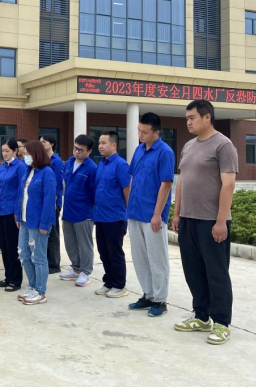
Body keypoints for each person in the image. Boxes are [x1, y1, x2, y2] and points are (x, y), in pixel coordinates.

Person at [172, 100, 238, 345]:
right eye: (187, 119)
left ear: (207, 117)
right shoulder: (188, 146)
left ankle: (221, 322)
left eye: (192, 118)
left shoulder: (223, 145)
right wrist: (177, 214)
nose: (188, 122)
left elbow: (228, 184)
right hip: (189, 219)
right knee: (193, 271)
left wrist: (221, 221)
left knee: (216, 273)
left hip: (211, 221)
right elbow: (182, 181)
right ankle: (201, 316)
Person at [127, 112, 175, 317]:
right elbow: (132, 177)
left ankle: (161, 300)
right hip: (134, 212)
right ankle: (148, 295)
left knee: (157, 258)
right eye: (139, 131)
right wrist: (128, 206)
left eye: (145, 132)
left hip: (152, 215)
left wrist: (157, 215)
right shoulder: (138, 150)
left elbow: (166, 184)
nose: (140, 135)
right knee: (139, 257)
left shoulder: (165, 152)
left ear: (157, 132)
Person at [15, 141, 56, 305]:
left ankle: (40, 291)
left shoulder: (47, 173)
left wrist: (44, 224)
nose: (25, 157)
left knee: (38, 257)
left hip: (38, 223)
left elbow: (49, 200)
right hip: (25, 221)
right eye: (24, 154)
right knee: (24, 254)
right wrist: (18, 216)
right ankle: (32, 286)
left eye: (28, 154)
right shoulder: (28, 171)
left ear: (37, 154)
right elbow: (21, 196)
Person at [93, 131, 131, 299]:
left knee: (115, 252)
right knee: (103, 251)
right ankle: (108, 281)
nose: (100, 146)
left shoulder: (121, 165)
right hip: (100, 216)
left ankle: (119, 285)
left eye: (104, 143)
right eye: (99, 143)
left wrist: (128, 212)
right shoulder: (101, 164)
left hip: (115, 217)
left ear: (114, 145)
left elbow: (127, 189)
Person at [58, 135, 98, 288]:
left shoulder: (92, 168)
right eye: (75, 148)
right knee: (70, 243)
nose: (76, 152)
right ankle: (75, 268)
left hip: (84, 213)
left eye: (80, 150)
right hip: (68, 211)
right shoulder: (69, 162)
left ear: (89, 151)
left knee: (84, 244)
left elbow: (94, 192)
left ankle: (85, 272)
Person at [0, 138, 26, 292]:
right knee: (5, 247)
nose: (4, 154)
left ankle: (16, 279)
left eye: (7, 151)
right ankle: (8, 276)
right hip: (2, 210)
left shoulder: (20, 167)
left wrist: (18, 212)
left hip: (12, 212)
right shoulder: (3, 167)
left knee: (13, 247)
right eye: (3, 151)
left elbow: (21, 191)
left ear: (15, 151)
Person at [38, 134, 63, 274]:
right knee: (44, 233)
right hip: (41, 202)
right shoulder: (41, 160)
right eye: (40, 142)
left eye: (44, 142)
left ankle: (54, 264)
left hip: (52, 203)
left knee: (52, 234)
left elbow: (58, 184)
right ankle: (46, 261)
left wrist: (53, 202)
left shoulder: (56, 161)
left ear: (52, 143)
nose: (42, 144)